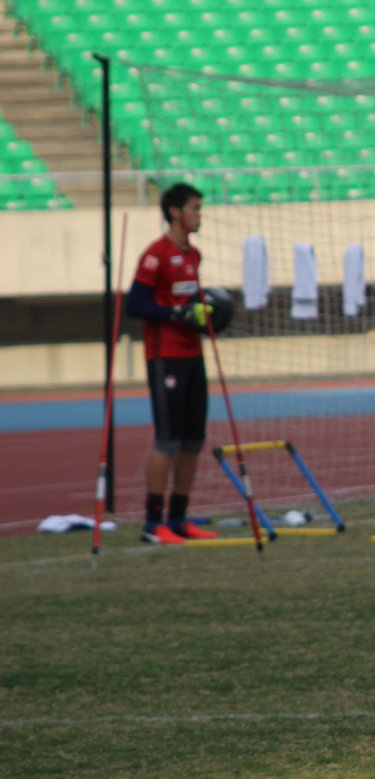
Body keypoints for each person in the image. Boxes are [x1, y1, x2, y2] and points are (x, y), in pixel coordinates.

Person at [125, 182, 219, 545]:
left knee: (193, 440)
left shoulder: (194, 255)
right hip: (166, 358)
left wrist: (207, 313)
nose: (199, 214)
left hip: (193, 355)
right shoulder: (156, 254)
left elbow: (193, 303)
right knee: (167, 439)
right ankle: (153, 523)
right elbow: (136, 304)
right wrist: (175, 312)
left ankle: (178, 519)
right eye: (195, 208)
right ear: (176, 212)